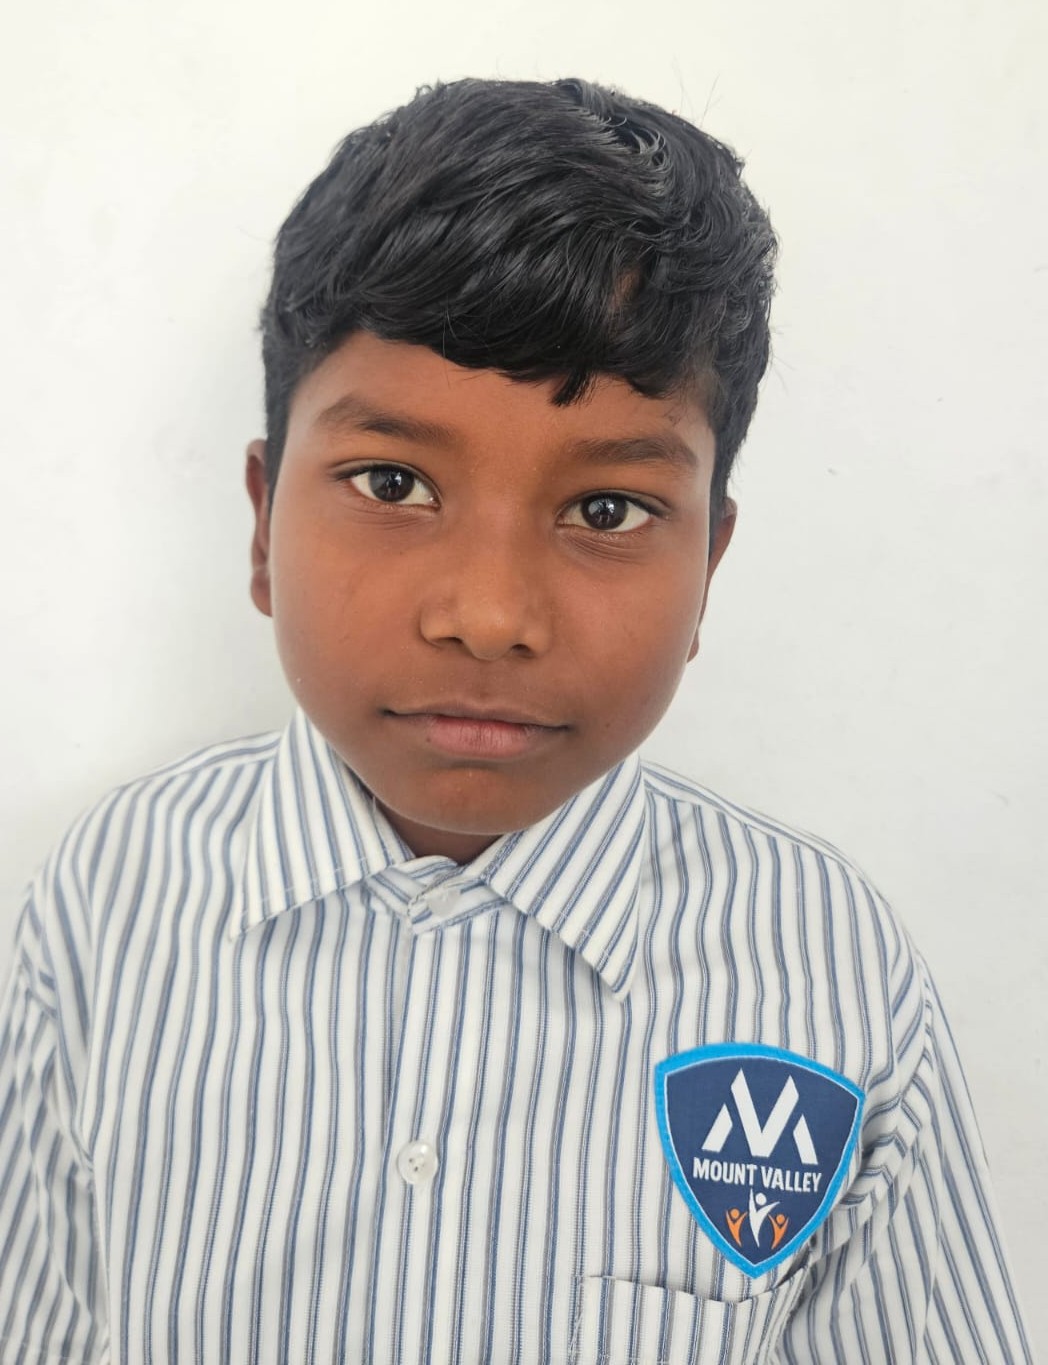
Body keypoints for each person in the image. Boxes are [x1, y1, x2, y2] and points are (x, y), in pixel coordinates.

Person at [0, 78, 1032, 1364]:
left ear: (708, 567)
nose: (490, 617)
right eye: (393, 482)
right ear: (261, 526)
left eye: (606, 511)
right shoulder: (106, 903)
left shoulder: (830, 971)